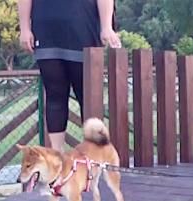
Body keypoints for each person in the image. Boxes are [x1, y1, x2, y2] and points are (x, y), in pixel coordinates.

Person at [17, 0, 121, 152]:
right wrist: (25, 28)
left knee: (87, 98)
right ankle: (57, 156)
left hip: (84, 27)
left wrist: (106, 26)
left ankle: (92, 157)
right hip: (46, 29)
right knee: (54, 95)